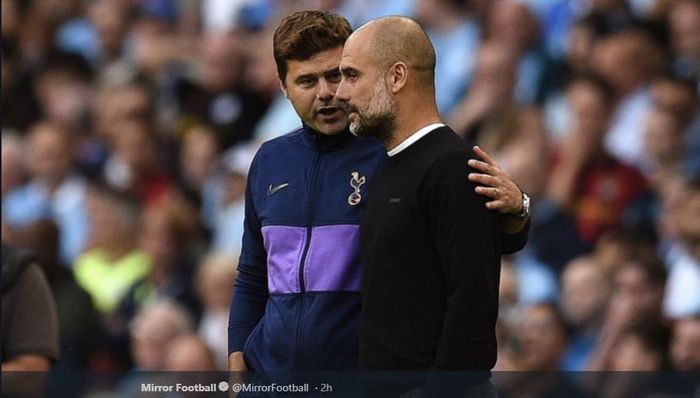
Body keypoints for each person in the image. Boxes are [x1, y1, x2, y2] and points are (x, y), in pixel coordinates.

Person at [228, 10, 531, 372]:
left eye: (339, 75)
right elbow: (251, 274)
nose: (329, 93)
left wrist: (518, 209)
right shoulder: (269, 161)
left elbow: (471, 247)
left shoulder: (396, 153)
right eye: (308, 81)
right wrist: (236, 361)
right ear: (283, 86)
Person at [334, 15, 512, 382]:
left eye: (352, 76)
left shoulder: (452, 167)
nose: (340, 93)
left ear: (397, 77)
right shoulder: (388, 166)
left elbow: (471, 307)